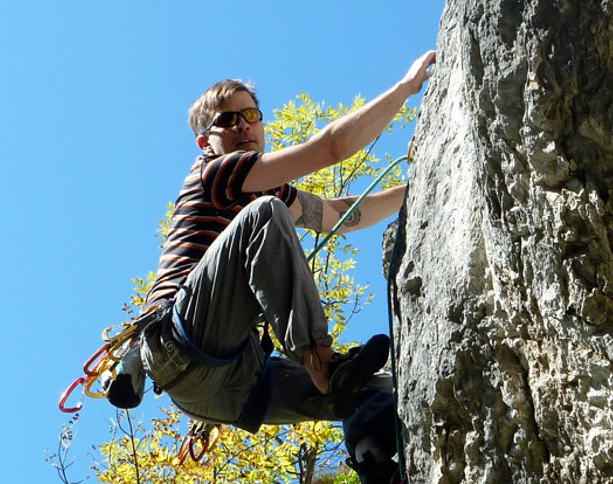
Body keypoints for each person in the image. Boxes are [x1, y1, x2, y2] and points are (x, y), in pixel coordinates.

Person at [139, 51, 436, 445]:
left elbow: (338, 215)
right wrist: (406, 88)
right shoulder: (215, 172)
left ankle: (376, 463)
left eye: (251, 116)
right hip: (178, 341)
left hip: (226, 384)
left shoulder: (265, 189)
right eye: (228, 120)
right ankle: (321, 361)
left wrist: (418, 188)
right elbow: (330, 148)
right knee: (266, 213)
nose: (244, 126)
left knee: (379, 389)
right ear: (205, 142)